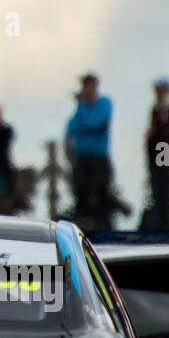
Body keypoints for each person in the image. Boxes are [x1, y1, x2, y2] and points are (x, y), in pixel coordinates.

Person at [65, 73, 114, 229]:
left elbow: (97, 125)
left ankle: (104, 225)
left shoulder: (105, 103)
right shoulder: (81, 107)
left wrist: (83, 129)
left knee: (101, 190)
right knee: (81, 190)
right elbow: (71, 128)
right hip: (82, 156)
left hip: (99, 155)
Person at [144, 78, 169, 229]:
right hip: (158, 148)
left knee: (167, 180)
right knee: (158, 182)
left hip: (166, 148)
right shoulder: (156, 107)